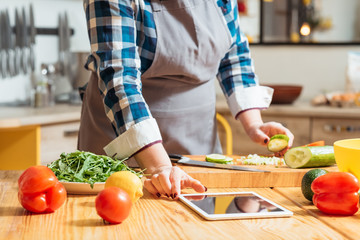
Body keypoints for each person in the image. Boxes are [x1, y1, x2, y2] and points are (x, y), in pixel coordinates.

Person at [78, 0, 294, 200]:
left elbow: (233, 55)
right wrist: (159, 167)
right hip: (126, 138)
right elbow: (119, 80)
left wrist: (254, 123)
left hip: (198, 139)